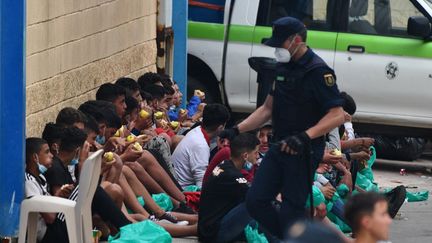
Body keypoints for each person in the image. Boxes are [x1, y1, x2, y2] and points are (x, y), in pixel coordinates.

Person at [220, 17, 345, 239]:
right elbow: (267, 109)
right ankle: (295, 238)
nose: (278, 49)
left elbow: (337, 115)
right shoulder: (282, 68)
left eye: (281, 43)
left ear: (297, 40)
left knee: (291, 209)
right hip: (280, 145)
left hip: (304, 150)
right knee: (256, 200)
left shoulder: (318, 71)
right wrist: (236, 130)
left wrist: (305, 136)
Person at [198, 133, 260, 242]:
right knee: (255, 201)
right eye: (255, 153)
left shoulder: (225, 165)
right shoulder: (232, 176)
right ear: (245, 156)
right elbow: (256, 195)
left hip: (208, 229)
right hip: (214, 235)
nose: (258, 156)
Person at [172, 104, 230, 189]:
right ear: (220, 128)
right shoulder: (200, 145)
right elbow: (201, 185)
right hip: (183, 192)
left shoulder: (197, 130)